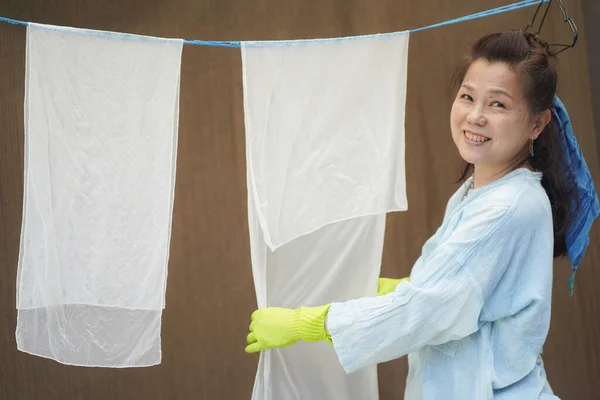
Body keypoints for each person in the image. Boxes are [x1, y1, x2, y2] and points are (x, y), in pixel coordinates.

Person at [244, 29, 594, 399]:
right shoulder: (482, 193)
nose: (475, 116)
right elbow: (459, 294)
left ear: (537, 124)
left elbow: (424, 309)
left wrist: (308, 323)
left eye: (498, 105)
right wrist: (397, 290)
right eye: (467, 97)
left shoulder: (508, 208)